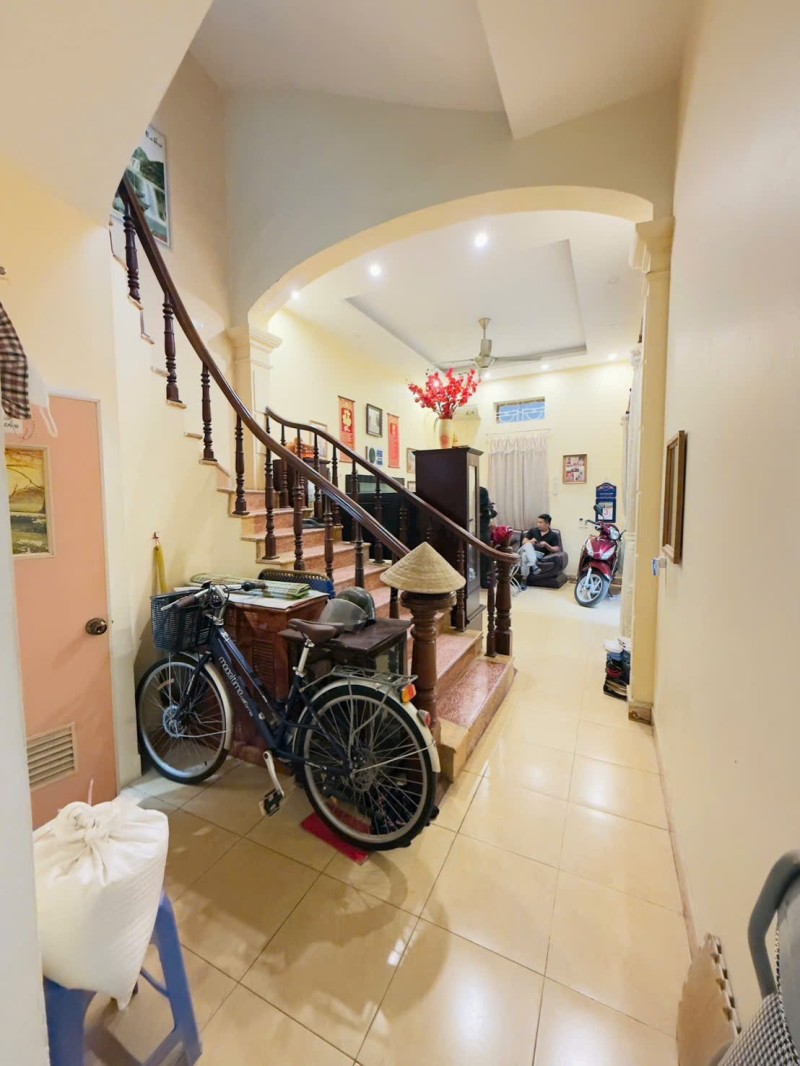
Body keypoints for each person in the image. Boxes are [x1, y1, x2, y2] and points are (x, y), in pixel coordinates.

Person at [519, 513, 560, 579]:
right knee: (528, 546)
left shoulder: (553, 535)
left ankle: (524, 579)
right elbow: (523, 542)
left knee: (525, 555)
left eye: (540, 522)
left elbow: (556, 549)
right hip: (524, 550)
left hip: (538, 554)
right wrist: (531, 542)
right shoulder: (533, 531)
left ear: (547, 524)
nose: (538, 524)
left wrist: (546, 545)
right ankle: (534, 566)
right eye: (538, 522)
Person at [479, 487, 497, 588]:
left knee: (482, 560)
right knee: (484, 560)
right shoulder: (487, 508)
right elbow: (494, 513)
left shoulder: (482, 509)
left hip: (480, 534)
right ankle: (484, 582)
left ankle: (483, 581)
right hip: (484, 535)